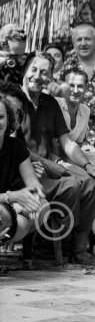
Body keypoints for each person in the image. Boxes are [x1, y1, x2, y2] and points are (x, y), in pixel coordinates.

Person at [21, 52, 95, 264]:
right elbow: (16, 147)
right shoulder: (14, 101)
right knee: (70, 185)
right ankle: (51, 245)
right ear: (24, 71)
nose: (37, 76)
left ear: (50, 77)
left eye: (44, 72)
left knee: (93, 180)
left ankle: (79, 248)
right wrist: (49, 163)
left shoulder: (50, 103)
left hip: (48, 165)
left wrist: (87, 164)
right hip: (25, 168)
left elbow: (67, 142)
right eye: (34, 70)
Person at [0, 98, 48, 244]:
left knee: (43, 208)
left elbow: (32, 181)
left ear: (9, 120)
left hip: (7, 205)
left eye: (1, 117)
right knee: (13, 219)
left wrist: (33, 195)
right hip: (5, 203)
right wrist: (13, 197)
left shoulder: (16, 146)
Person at [55, 69, 91, 146]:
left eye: (80, 86)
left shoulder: (86, 111)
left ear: (86, 88)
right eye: (71, 85)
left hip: (70, 156)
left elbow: (78, 144)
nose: (75, 90)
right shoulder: (55, 104)